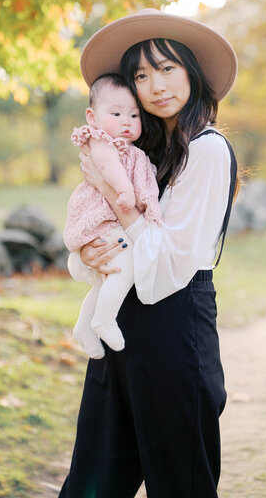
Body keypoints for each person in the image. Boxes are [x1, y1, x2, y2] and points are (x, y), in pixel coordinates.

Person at [58, 8, 238, 498]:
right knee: (93, 480)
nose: (155, 85)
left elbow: (170, 263)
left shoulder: (206, 150)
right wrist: (94, 246)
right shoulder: (142, 149)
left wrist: (119, 205)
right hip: (122, 323)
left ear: (191, 73)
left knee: (180, 481)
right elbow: (109, 234)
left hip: (175, 324)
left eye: (167, 68)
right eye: (141, 74)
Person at [63, 73, 162, 359]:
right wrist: (126, 192)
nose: (126, 121)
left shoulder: (131, 150)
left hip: (114, 218)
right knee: (126, 264)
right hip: (102, 217)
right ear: (92, 117)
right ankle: (103, 320)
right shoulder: (101, 141)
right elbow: (108, 167)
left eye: (134, 114)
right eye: (116, 113)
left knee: (108, 277)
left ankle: (84, 326)